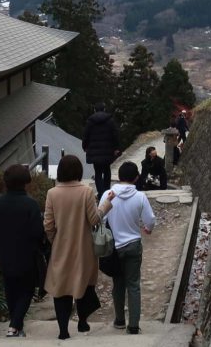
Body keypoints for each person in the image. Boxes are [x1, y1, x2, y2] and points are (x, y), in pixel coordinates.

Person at [45, 155, 113, 340]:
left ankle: (63, 330)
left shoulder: (52, 193)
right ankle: (83, 321)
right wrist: (105, 206)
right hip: (84, 248)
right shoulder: (86, 191)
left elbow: (48, 225)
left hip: (61, 247)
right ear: (78, 171)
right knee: (84, 284)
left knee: (61, 288)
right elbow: (93, 219)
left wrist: (55, 241)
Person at [0, 164, 44, 338]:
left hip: (6, 254)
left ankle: (16, 327)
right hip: (27, 254)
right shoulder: (30, 204)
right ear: (25, 182)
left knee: (10, 290)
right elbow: (37, 232)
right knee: (27, 291)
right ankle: (14, 326)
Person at [102, 162, 156, 335]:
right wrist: (148, 229)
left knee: (118, 283)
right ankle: (133, 325)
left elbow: (101, 219)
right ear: (136, 177)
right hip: (133, 244)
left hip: (114, 246)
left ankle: (119, 320)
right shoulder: (140, 196)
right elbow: (150, 219)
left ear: (119, 176)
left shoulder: (108, 194)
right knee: (133, 285)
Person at [83, 102, 121, 201]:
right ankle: (107, 192)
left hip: (95, 151)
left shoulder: (90, 121)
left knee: (98, 173)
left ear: (94, 110)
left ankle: (100, 194)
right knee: (107, 171)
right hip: (108, 150)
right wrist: (116, 148)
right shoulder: (110, 121)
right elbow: (115, 135)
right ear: (104, 109)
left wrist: (85, 147)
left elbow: (86, 135)